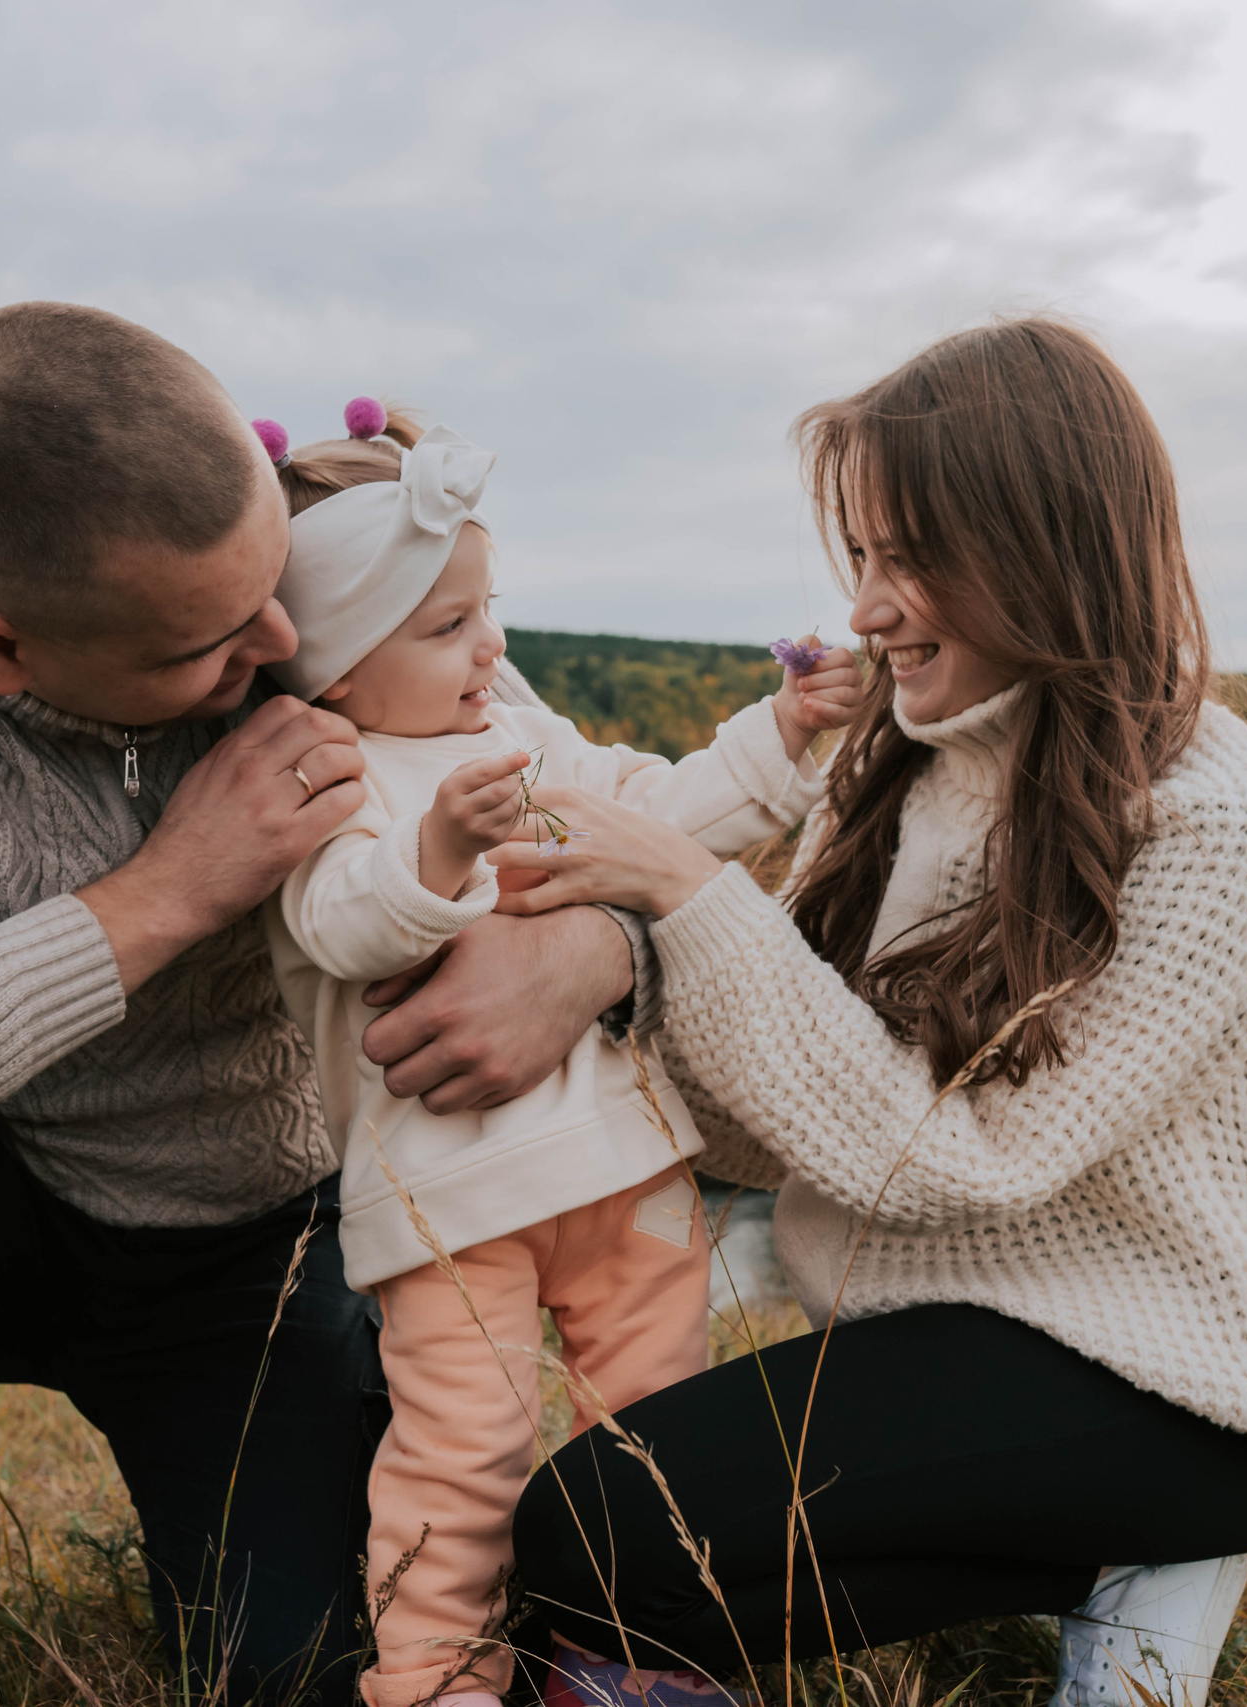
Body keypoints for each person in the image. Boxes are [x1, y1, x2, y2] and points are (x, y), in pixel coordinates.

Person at [0, 303, 662, 1707]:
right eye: (212, 644)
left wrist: (595, 947)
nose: (286, 642)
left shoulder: (311, 568)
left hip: (249, 1242)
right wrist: (168, 891)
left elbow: (586, 797)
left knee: (304, 1671)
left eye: (272, 591)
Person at [491, 320, 1247, 1707]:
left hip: (1189, 1388)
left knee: (595, 1546)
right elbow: (761, 1127)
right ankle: (1084, 1561)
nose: (865, 609)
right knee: (568, 1557)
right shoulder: (906, 765)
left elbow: (961, 1159)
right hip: (962, 1333)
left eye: (911, 559)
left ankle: (1153, 1538)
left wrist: (690, 894)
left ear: (1046, 550)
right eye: (858, 557)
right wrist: (618, 958)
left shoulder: (1221, 824)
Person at [249, 402, 861, 1707]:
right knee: (462, 1455)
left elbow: (664, 812)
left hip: (631, 1171)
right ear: (342, 665)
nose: (493, 644)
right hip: (454, 1207)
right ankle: (438, 1679)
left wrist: (783, 733)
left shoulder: (525, 746)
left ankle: (634, 1657)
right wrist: (442, 858)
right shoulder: (326, 778)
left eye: (489, 607)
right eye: (448, 626)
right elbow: (342, 920)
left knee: (655, 1434)